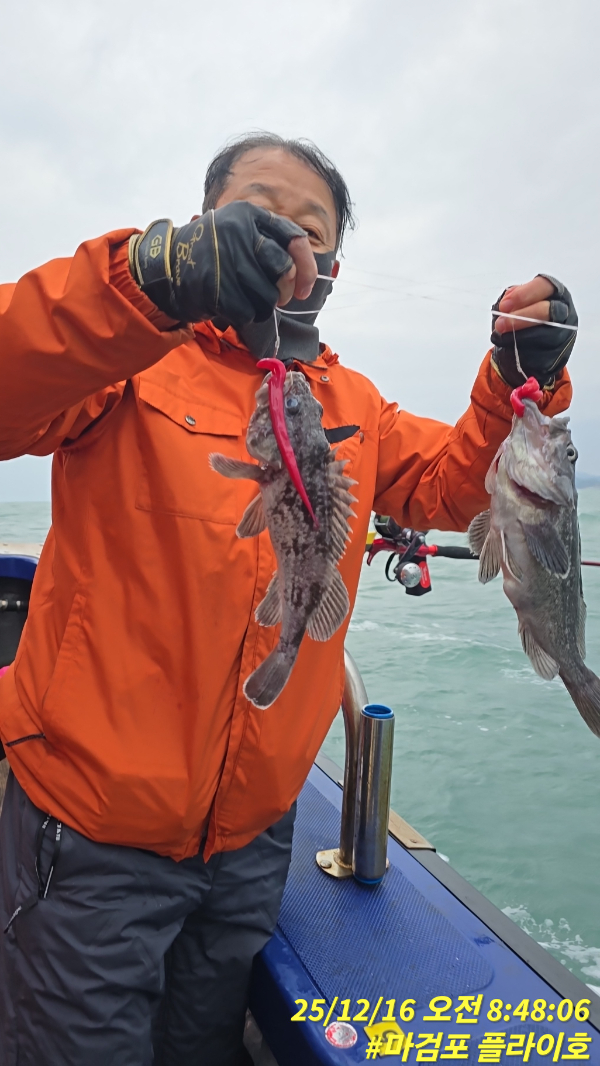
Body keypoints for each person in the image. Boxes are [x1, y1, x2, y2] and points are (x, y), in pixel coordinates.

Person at [0, 132, 577, 1066]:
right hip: (91, 835)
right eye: (262, 212)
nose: (290, 240)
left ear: (332, 268)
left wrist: (521, 378)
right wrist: (148, 276)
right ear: (207, 225)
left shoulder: (354, 402)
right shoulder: (123, 360)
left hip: (250, 846)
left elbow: (453, 487)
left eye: (314, 229)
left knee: (199, 1046)